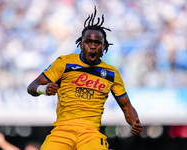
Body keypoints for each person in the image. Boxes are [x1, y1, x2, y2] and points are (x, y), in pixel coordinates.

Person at [27, 6, 142, 150]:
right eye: (88, 42)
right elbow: (32, 87)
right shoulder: (64, 62)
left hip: (91, 134)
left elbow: (126, 106)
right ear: (81, 45)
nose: (92, 46)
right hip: (62, 131)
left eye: (97, 43)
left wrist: (135, 122)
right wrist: (44, 89)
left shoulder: (111, 74)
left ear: (104, 46)